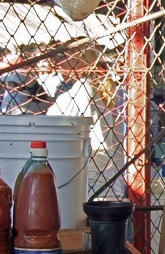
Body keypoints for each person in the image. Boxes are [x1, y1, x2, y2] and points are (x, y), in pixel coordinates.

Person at [45, 42, 124, 198]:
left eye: (63, 56)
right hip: (107, 177)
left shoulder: (82, 92)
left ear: (79, 60)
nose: (57, 63)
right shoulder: (99, 88)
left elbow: (57, 131)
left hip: (86, 180)